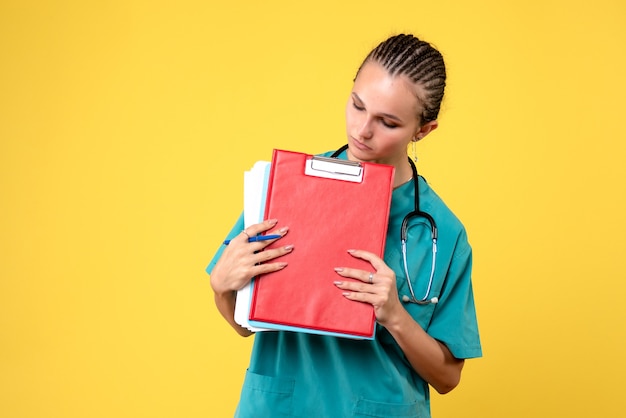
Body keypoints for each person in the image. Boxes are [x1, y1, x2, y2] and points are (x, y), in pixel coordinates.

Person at [207, 33, 482, 417]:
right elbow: (244, 324)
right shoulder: (287, 187)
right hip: (278, 406)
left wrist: (394, 316)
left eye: (388, 122)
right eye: (357, 105)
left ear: (424, 130)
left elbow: (448, 377)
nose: (362, 131)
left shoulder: (443, 233)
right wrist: (221, 287)